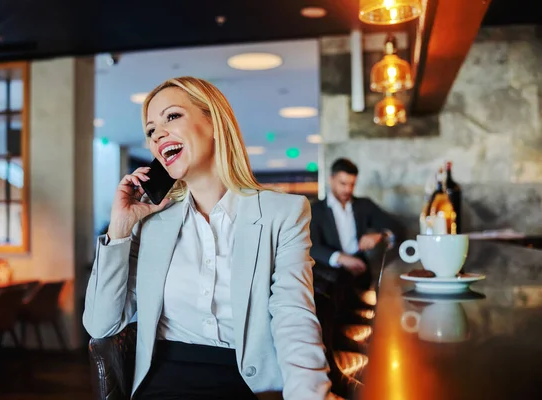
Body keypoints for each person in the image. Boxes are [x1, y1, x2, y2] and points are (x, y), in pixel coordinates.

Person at [83, 77, 339, 400]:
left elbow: (294, 319)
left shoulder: (283, 213)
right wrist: (119, 228)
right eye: (150, 131)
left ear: (214, 122)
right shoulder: (151, 225)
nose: (158, 134)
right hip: (163, 385)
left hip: (248, 385)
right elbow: (100, 325)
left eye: (172, 117)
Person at [310, 158, 402, 309]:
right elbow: (311, 246)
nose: (348, 189)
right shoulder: (315, 210)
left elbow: (397, 228)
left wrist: (381, 235)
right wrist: (341, 258)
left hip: (359, 275)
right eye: (343, 184)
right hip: (329, 278)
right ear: (331, 180)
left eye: (352, 184)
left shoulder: (363, 206)